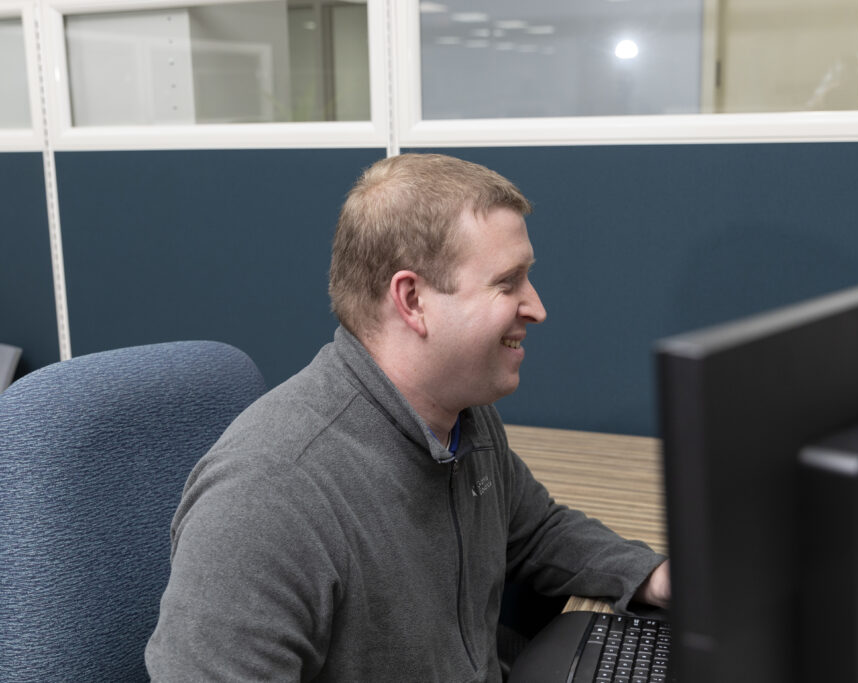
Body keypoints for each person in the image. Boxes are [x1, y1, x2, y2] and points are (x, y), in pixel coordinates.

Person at [145, 153, 670, 682]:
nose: (536, 307)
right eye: (508, 283)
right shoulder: (267, 498)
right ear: (413, 299)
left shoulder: (463, 413)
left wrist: (655, 575)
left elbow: (533, 531)